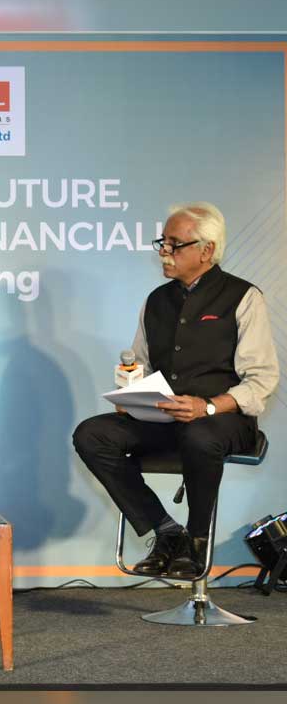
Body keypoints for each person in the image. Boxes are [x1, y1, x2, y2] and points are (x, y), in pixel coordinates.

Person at [73, 202, 279, 578]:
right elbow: (140, 364)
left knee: (199, 434)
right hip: (166, 419)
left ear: (207, 250)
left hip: (224, 420)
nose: (164, 251)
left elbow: (262, 379)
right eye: (162, 242)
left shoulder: (244, 297)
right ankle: (168, 532)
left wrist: (209, 406)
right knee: (92, 434)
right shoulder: (156, 301)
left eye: (174, 244)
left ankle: (197, 543)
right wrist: (131, 393)